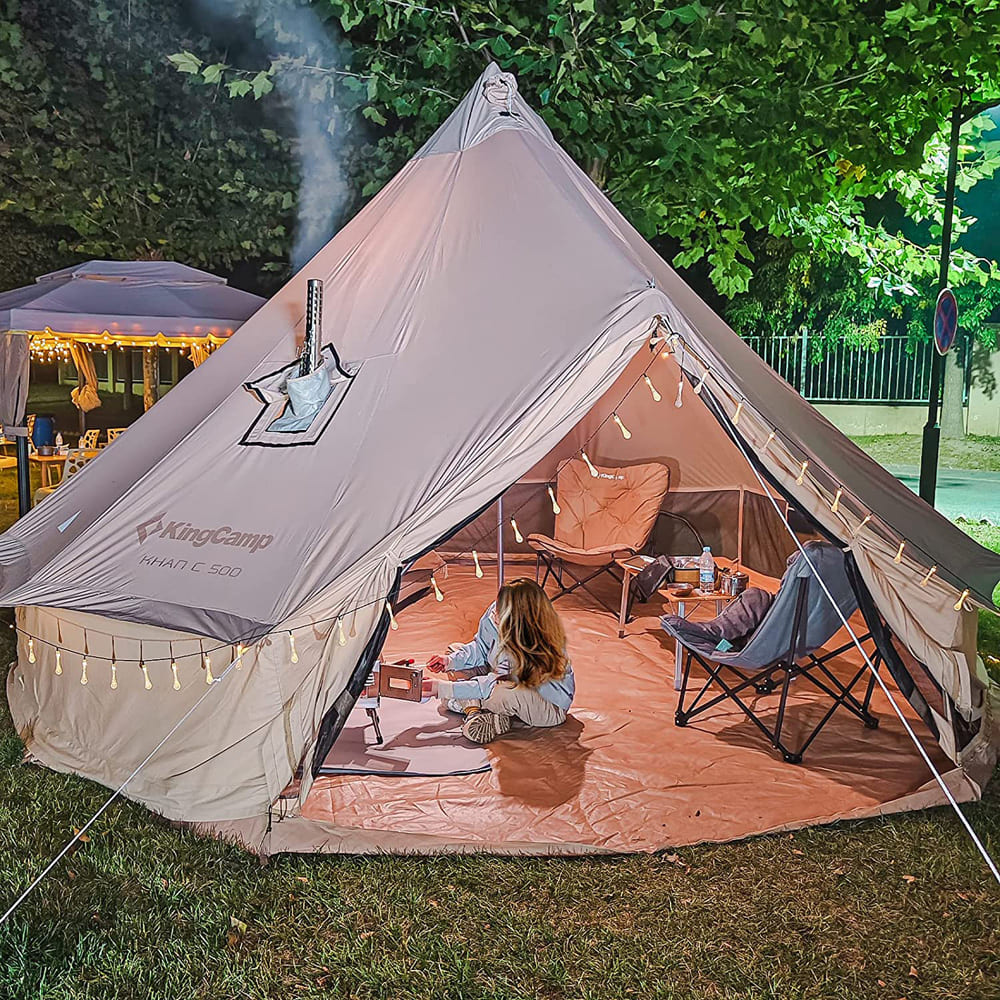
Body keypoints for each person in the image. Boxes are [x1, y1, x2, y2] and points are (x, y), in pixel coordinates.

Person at [425, 578, 574, 744]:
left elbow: (491, 685)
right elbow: (480, 647)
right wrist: (450, 661)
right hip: (500, 678)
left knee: (502, 693)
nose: (494, 612)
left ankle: (470, 708)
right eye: (497, 604)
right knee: (455, 650)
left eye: (501, 610)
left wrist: (442, 689)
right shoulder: (495, 613)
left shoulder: (534, 646)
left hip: (545, 705)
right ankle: (477, 713)